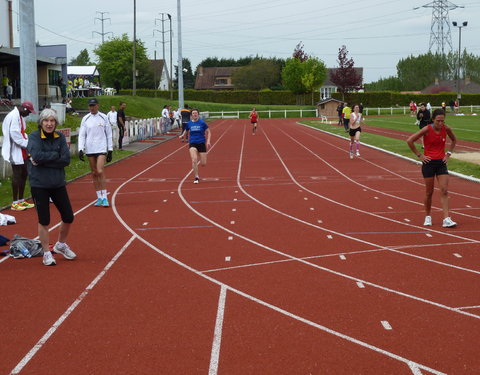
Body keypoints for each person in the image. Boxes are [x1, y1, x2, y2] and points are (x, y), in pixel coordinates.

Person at [27, 108, 76, 266]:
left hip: (57, 183)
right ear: (41, 122)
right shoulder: (34, 137)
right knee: (44, 219)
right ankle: (46, 253)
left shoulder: (60, 137)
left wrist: (45, 160)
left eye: (52, 121)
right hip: (39, 184)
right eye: (46, 121)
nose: (49, 124)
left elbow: (66, 159)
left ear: (56, 123)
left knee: (68, 216)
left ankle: (60, 245)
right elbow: (36, 156)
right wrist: (55, 156)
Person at [406, 108, 457, 228]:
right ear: (433, 119)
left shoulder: (446, 128)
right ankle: (428, 216)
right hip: (429, 163)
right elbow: (410, 140)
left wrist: (448, 154)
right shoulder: (427, 129)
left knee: (444, 190)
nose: (440, 123)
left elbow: (454, 140)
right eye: (438, 121)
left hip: (441, 163)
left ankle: (446, 218)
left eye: (442, 121)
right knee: (429, 192)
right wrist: (420, 155)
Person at [1, 101, 36, 211]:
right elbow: (15, 136)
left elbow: (22, 132)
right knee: (17, 174)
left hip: (22, 149)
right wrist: (28, 144)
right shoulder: (13, 116)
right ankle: (15, 202)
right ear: (24, 109)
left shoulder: (19, 116)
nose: (29, 114)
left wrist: (26, 141)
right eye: (29, 112)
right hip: (15, 149)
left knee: (24, 173)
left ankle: (21, 199)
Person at [78, 98, 113, 207]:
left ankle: (105, 197)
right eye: (90, 106)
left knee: (100, 170)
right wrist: (80, 148)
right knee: (94, 172)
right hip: (90, 148)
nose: (92, 108)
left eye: (93, 105)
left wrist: (110, 149)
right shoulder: (85, 119)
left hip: (101, 148)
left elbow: (109, 134)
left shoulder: (104, 117)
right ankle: (99, 197)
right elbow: (82, 135)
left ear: (97, 106)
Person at [178, 109, 211, 184]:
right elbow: (186, 130)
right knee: (194, 159)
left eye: (196, 113)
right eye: (193, 113)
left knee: (203, 163)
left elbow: (209, 132)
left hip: (201, 143)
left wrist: (208, 141)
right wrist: (182, 135)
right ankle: (196, 176)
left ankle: (200, 155)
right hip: (192, 143)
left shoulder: (202, 123)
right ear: (191, 115)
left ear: (198, 114)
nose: (195, 114)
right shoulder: (189, 123)